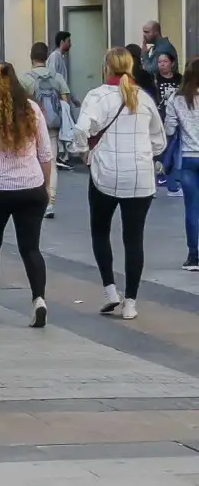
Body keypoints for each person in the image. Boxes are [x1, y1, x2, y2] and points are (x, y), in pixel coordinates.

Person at [71, 47, 166, 320]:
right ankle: (131, 302)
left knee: (100, 231)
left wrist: (84, 152)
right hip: (139, 177)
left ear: (107, 67)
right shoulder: (143, 98)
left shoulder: (97, 96)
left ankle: (111, 291)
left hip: (106, 175)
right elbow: (159, 139)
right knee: (133, 239)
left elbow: (80, 130)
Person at [0, 62, 54, 328]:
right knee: (31, 248)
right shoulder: (32, 110)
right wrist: (47, 186)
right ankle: (38, 299)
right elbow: (46, 154)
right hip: (32, 187)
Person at [20, 42, 72, 219]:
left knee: (31, 162)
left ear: (31, 56)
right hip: (52, 127)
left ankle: (34, 200)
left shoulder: (24, 78)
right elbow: (65, 101)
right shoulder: (57, 77)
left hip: (31, 127)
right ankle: (49, 202)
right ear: (46, 56)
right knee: (51, 163)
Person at [166, 60, 199, 271]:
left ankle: (193, 256)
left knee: (192, 208)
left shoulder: (176, 99)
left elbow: (169, 130)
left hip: (188, 158)